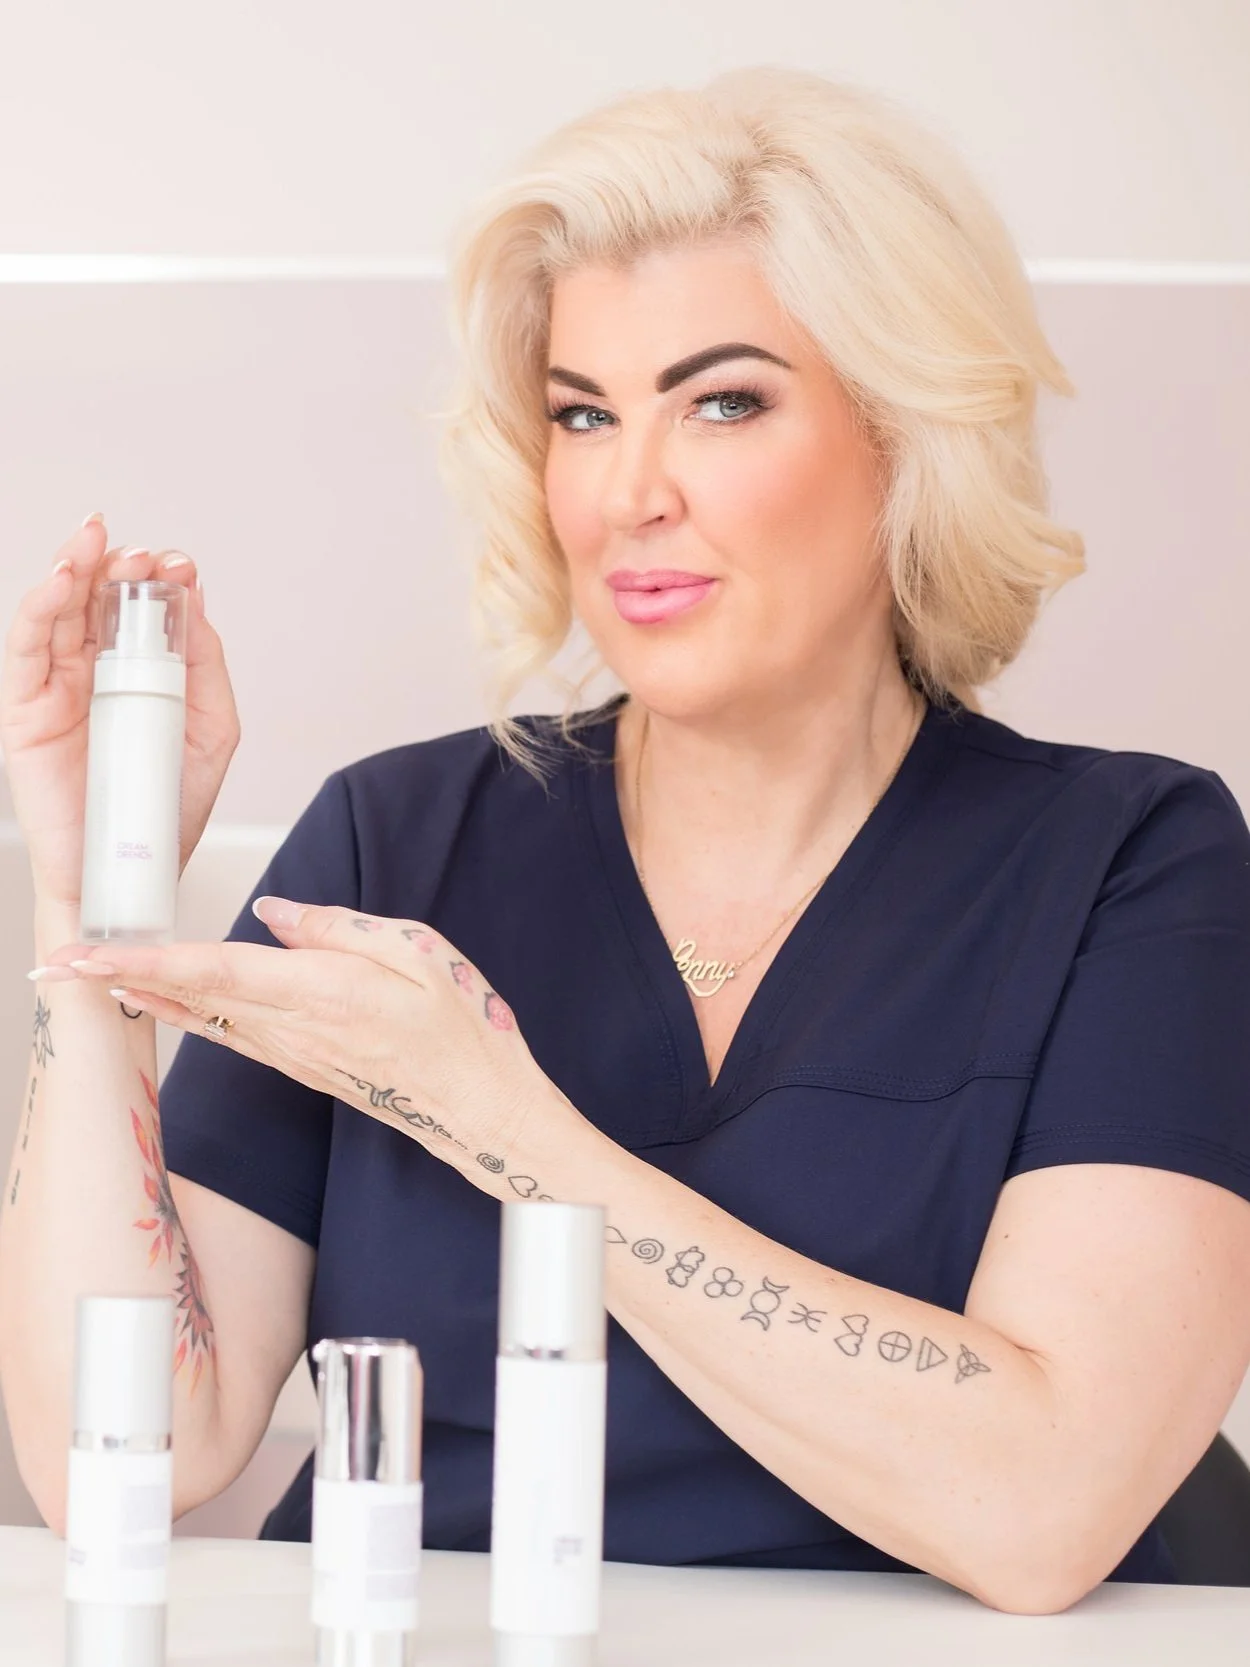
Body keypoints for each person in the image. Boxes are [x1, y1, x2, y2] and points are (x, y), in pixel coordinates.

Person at [2, 66, 1250, 1618]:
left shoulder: (1131, 860)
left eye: (720, 400)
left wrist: (503, 1126)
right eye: (581, 414)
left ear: (906, 430)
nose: (626, 492)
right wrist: (83, 912)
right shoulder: (394, 836)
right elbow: (116, 1452)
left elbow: (1043, 1505)